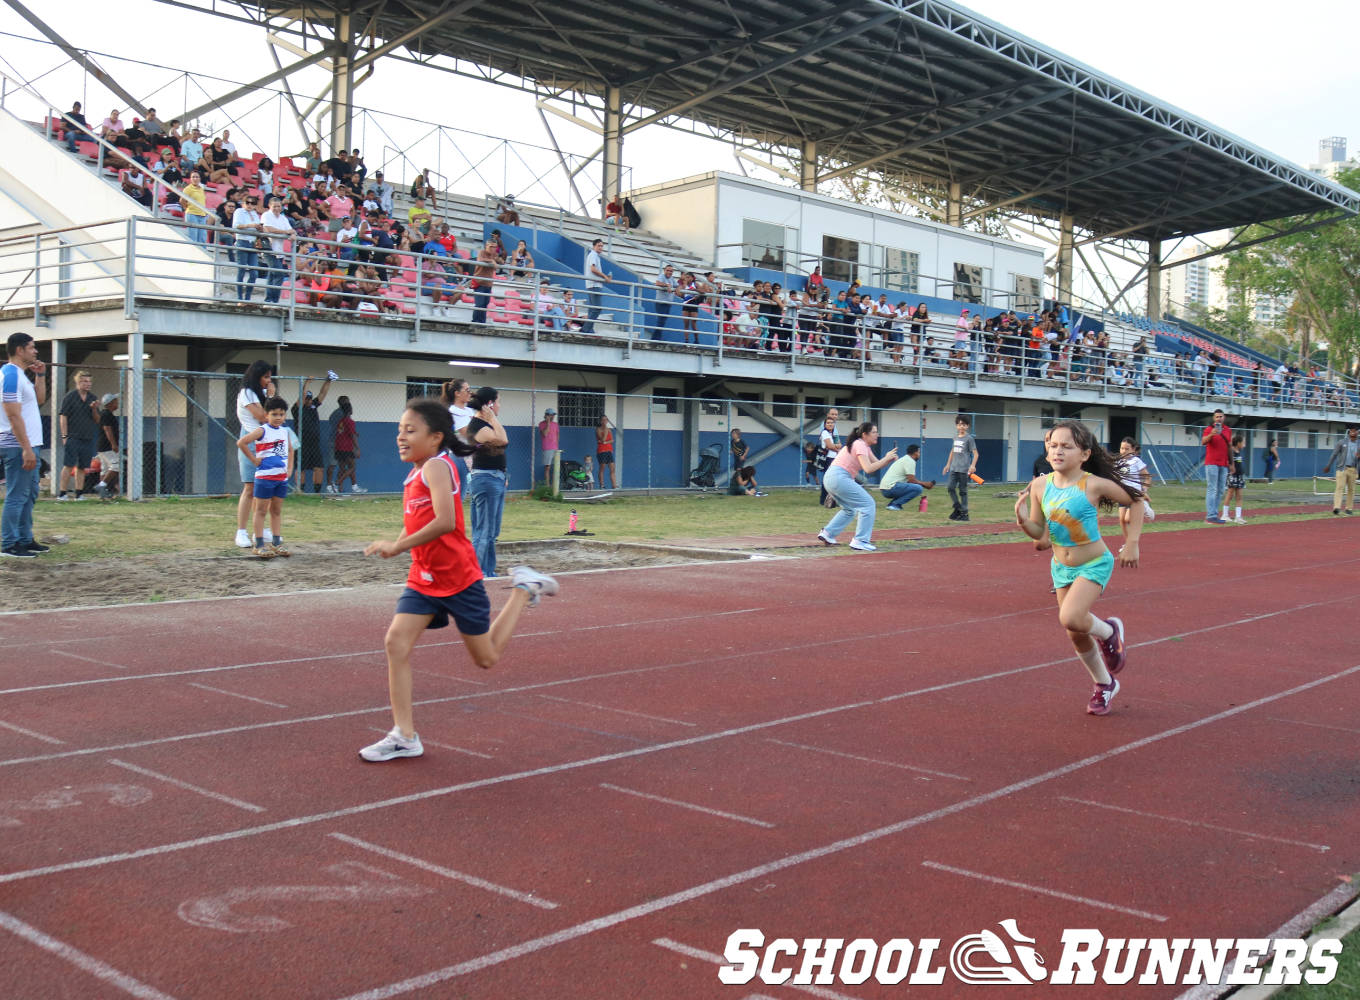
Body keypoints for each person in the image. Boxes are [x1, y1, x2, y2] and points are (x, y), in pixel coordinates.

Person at [358, 398, 559, 761]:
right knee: (395, 643)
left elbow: (446, 521)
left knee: (486, 659)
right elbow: (418, 520)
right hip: (424, 579)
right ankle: (405, 736)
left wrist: (398, 546)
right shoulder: (415, 472)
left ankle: (523, 588)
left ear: (435, 437)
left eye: (410, 431)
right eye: (399, 431)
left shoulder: (437, 466)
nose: (401, 438)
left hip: (458, 578)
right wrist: (401, 544)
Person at [1014, 419, 1142, 717]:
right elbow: (1040, 535)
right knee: (1074, 630)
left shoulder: (1093, 484)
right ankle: (1104, 683)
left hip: (1094, 562)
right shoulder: (1039, 485)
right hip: (1061, 567)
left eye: (1066, 446)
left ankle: (1109, 632)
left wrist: (1132, 542)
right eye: (1053, 445)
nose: (1058, 451)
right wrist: (1023, 521)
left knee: (1071, 616)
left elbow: (1135, 502)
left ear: (1084, 454)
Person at [0, 333, 48, 558]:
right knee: (17, 494)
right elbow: (12, 415)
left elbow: (38, 400)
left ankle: (24, 539)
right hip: (18, 445)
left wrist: (40, 376)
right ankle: (9, 544)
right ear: (19, 350)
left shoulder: (21, 375)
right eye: (32, 347)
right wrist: (26, 448)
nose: (35, 351)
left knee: (28, 494)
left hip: (29, 444)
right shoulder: (10, 375)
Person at [817, 421, 897, 552]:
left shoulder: (863, 446)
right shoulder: (860, 445)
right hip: (839, 477)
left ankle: (828, 533)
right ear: (865, 434)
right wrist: (886, 459)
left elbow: (877, 463)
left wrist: (888, 458)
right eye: (874, 432)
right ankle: (860, 540)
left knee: (850, 510)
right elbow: (868, 469)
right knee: (868, 504)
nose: (877, 434)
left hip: (832, 478)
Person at [236, 396, 294, 558]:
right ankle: (259, 544)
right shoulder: (262, 430)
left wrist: (289, 468)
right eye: (274, 414)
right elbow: (241, 442)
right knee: (261, 510)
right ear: (266, 415)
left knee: (276, 510)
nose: (278, 418)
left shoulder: (285, 431)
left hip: (280, 479)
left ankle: (276, 543)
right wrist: (254, 460)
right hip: (265, 479)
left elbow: (290, 449)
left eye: (281, 414)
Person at [466, 387, 509, 578]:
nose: (500, 406)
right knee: (484, 531)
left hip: (494, 478)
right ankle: (475, 573)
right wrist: (492, 418)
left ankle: (488, 571)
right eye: (498, 401)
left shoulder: (484, 425)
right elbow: (503, 441)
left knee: (491, 531)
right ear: (490, 404)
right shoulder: (479, 427)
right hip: (486, 480)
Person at [233, 361, 273, 547]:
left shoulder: (263, 393)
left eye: (269, 376)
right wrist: (271, 397)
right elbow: (262, 416)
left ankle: (262, 529)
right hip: (251, 441)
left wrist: (270, 397)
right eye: (265, 377)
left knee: (264, 489)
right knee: (250, 488)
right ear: (256, 377)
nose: (269, 380)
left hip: (267, 442)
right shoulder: (247, 393)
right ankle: (241, 532)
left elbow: (275, 415)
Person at [57, 369, 100, 500]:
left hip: (87, 436)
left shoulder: (93, 398)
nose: (88, 384)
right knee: (69, 464)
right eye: (85, 381)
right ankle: (62, 493)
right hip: (73, 436)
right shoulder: (70, 397)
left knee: (83, 466)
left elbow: (97, 419)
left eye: (90, 381)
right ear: (78, 382)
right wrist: (64, 436)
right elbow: (63, 417)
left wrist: (94, 409)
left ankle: (79, 493)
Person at [1116, 438, 1154, 563]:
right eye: (1122, 448)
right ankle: (1128, 544)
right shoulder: (1118, 462)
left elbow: (1147, 477)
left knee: (1128, 519)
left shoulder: (1136, 461)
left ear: (1133, 450)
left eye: (1127, 449)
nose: (1124, 451)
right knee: (1122, 520)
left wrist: (1144, 492)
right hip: (1122, 494)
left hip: (1134, 495)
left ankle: (1143, 506)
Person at [294, 375, 333, 493]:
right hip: (302, 444)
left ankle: (317, 492)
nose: (309, 400)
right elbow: (301, 397)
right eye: (306, 398)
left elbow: (322, 394)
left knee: (319, 468)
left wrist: (328, 381)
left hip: (314, 444)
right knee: (301, 468)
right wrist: (307, 383)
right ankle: (300, 491)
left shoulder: (313, 406)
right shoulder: (297, 409)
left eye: (310, 398)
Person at [941, 414, 978, 522]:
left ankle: (964, 513)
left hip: (963, 469)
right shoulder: (955, 437)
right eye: (959, 424)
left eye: (963, 425)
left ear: (967, 426)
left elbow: (976, 454)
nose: (961, 427)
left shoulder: (969, 439)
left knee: (963, 491)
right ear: (956, 426)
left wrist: (972, 465)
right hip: (954, 468)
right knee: (950, 487)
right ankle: (957, 508)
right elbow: (952, 451)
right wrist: (948, 465)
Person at [880, 443, 935, 511]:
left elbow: (910, 481)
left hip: (885, 488)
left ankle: (892, 505)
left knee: (911, 487)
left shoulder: (905, 459)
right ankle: (895, 504)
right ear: (915, 453)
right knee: (918, 488)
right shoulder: (910, 461)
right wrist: (926, 484)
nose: (919, 455)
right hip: (890, 488)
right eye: (919, 452)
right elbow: (911, 480)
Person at [1201, 408, 1231, 524]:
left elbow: (1229, 446)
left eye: (1221, 416)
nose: (1219, 418)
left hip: (1223, 463)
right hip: (1212, 462)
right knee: (1212, 488)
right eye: (1217, 417)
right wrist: (1211, 434)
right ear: (1214, 418)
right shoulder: (1209, 429)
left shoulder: (1227, 430)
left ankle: (1214, 513)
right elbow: (1203, 442)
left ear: (1224, 417)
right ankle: (1211, 515)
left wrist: (1231, 463)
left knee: (1220, 490)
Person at [1322, 425, 1359, 516]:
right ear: (1349, 432)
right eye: (1351, 431)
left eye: (1355, 431)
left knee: (1351, 489)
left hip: (1353, 469)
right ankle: (1337, 508)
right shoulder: (1342, 442)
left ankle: (1348, 508)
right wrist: (1328, 465)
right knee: (1339, 487)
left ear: (1358, 432)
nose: (1353, 432)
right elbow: (1334, 454)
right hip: (1342, 468)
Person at [332, 395, 367, 493]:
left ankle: (340, 489)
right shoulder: (350, 421)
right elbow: (352, 436)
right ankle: (337, 483)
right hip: (346, 448)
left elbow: (346, 432)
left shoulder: (341, 421)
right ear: (349, 410)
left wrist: (354, 433)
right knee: (352, 467)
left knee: (342, 468)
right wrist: (357, 448)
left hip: (338, 446)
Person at [93, 393, 121, 499]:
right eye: (115, 401)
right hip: (106, 446)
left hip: (102, 446)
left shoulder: (106, 414)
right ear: (110, 403)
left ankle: (102, 493)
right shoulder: (106, 414)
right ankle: (102, 485)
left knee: (104, 468)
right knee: (115, 465)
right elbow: (107, 429)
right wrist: (113, 444)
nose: (117, 403)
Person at [582, 238, 610, 334]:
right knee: (597, 308)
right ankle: (586, 329)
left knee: (592, 308)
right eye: (599, 245)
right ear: (594, 246)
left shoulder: (594, 256)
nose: (601, 248)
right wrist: (604, 276)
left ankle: (590, 329)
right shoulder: (593, 255)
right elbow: (593, 269)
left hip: (592, 284)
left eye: (602, 246)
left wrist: (604, 277)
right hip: (594, 284)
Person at [816, 407, 841, 508]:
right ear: (828, 415)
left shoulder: (834, 428)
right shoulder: (825, 429)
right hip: (828, 457)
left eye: (836, 414)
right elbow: (829, 445)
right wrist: (837, 449)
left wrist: (836, 447)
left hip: (834, 456)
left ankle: (832, 500)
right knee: (828, 479)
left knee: (834, 479)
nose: (834, 416)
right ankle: (824, 500)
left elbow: (838, 442)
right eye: (832, 414)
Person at [1223, 434, 1247, 524]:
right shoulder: (1231, 451)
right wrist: (1231, 468)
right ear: (1238, 443)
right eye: (1243, 443)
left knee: (1239, 496)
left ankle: (1238, 517)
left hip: (1240, 476)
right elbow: (1227, 462)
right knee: (1230, 494)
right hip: (1233, 476)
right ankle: (1225, 515)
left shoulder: (1238, 451)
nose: (1244, 445)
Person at [537, 407, 559, 486]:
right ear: (547, 415)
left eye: (553, 415)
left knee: (556, 467)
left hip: (555, 448)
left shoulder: (556, 424)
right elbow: (545, 434)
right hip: (547, 448)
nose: (553, 417)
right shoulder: (541, 424)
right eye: (551, 415)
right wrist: (548, 423)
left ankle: (555, 485)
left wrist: (557, 446)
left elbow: (557, 435)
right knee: (547, 467)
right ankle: (547, 485)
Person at [594, 413, 616, 490]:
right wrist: (606, 430)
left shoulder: (609, 429)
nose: (605, 421)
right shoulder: (598, 429)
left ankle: (614, 485)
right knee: (602, 468)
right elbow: (602, 439)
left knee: (612, 468)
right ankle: (602, 485)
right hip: (601, 451)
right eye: (603, 420)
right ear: (600, 421)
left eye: (606, 420)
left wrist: (606, 442)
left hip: (609, 450)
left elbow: (612, 440)